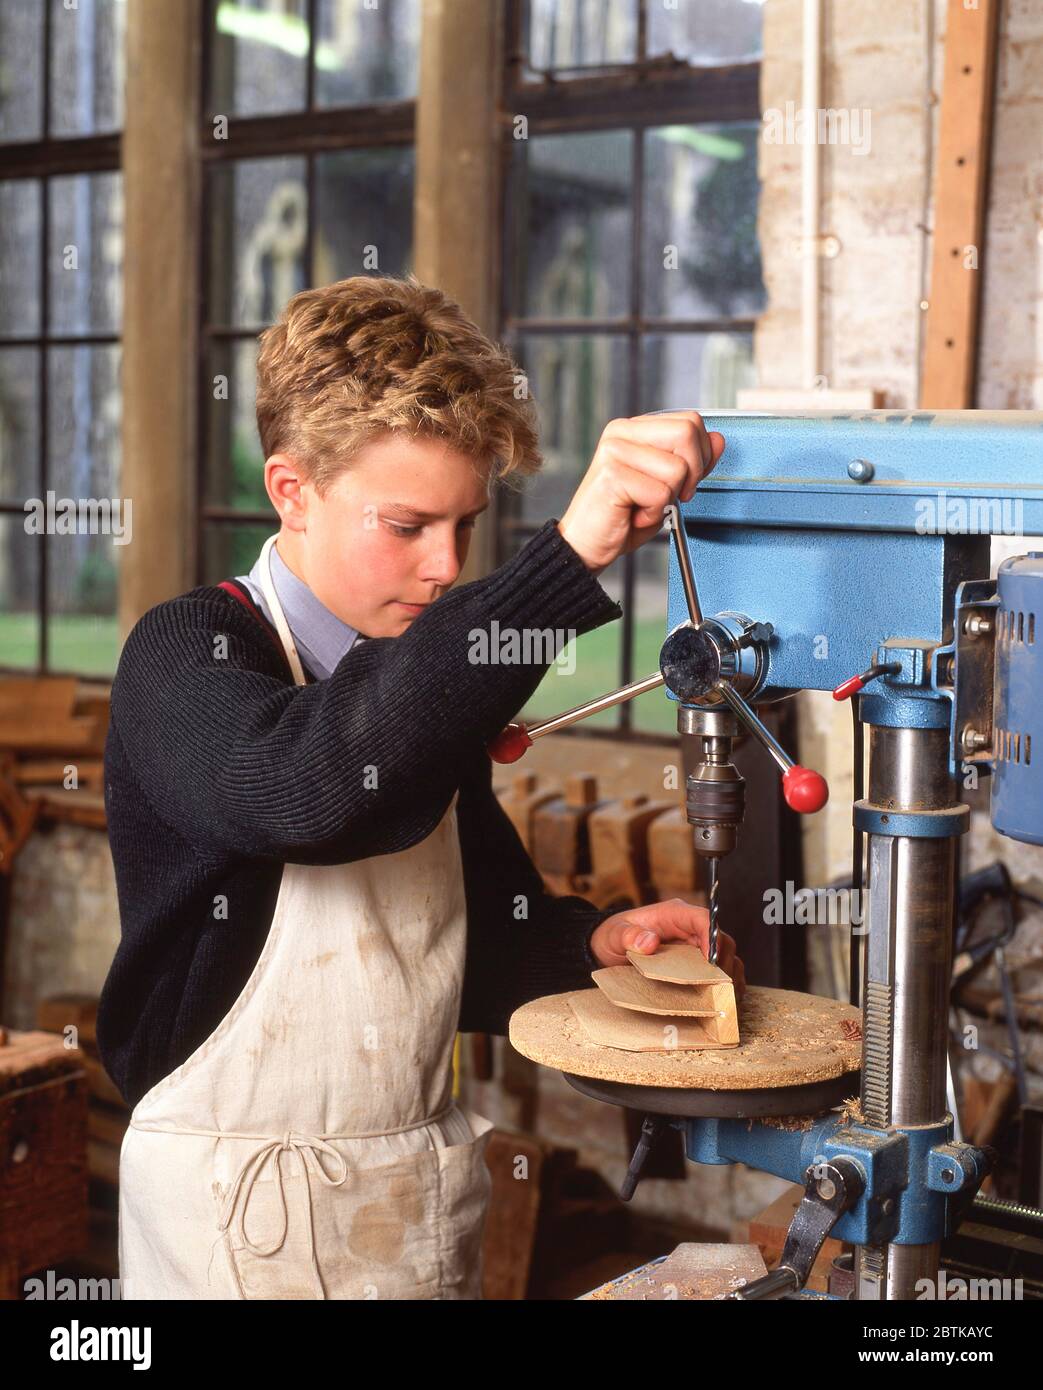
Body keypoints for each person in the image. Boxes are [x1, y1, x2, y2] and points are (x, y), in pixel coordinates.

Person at [98, 274, 745, 1300]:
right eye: (404, 525)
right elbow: (307, 786)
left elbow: (462, 934)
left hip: (404, 1208)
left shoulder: (409, 687)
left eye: (465, 525)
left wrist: (588, 944)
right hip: (231, 1225)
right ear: (291, 490)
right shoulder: (188, 653)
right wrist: (564, 560)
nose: (443, 566)